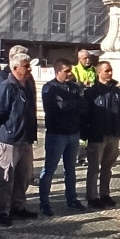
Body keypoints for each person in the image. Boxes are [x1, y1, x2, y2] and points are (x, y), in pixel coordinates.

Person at [0, 52, 39, 226]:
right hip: (9, 139)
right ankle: (3, 210)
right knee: (5, 177)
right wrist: (6, 131)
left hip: (26, 138)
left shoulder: (26, 86)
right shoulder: (6, 87)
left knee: (23, 176)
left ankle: (18, 206)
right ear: (15, 67)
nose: (29, 69)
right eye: (26, 66)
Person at [39, 59, 87, 215]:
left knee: (71, 168)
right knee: (50, 168)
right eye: (66, 71)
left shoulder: (73, 87)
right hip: (56, 133)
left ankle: (71, 199)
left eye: (70, 70)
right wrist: (74, 102)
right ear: (58, 71)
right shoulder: (50, 88)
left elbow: (83, 105)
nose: (69, 74)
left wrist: (72, 102)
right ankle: (44, 202)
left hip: (73, 133)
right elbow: (60, 107)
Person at [82, 61, 120, 207]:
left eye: (111, 70)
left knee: (108, 166)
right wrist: (86, 133)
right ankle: (92, 196)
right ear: (99, 72)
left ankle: (105, 194)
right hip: (97, 135)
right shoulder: (91, 92)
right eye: (106, 71)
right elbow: (85, 115)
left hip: (113, 134)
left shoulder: (116, 91)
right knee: (94, 167)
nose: (109, 73)